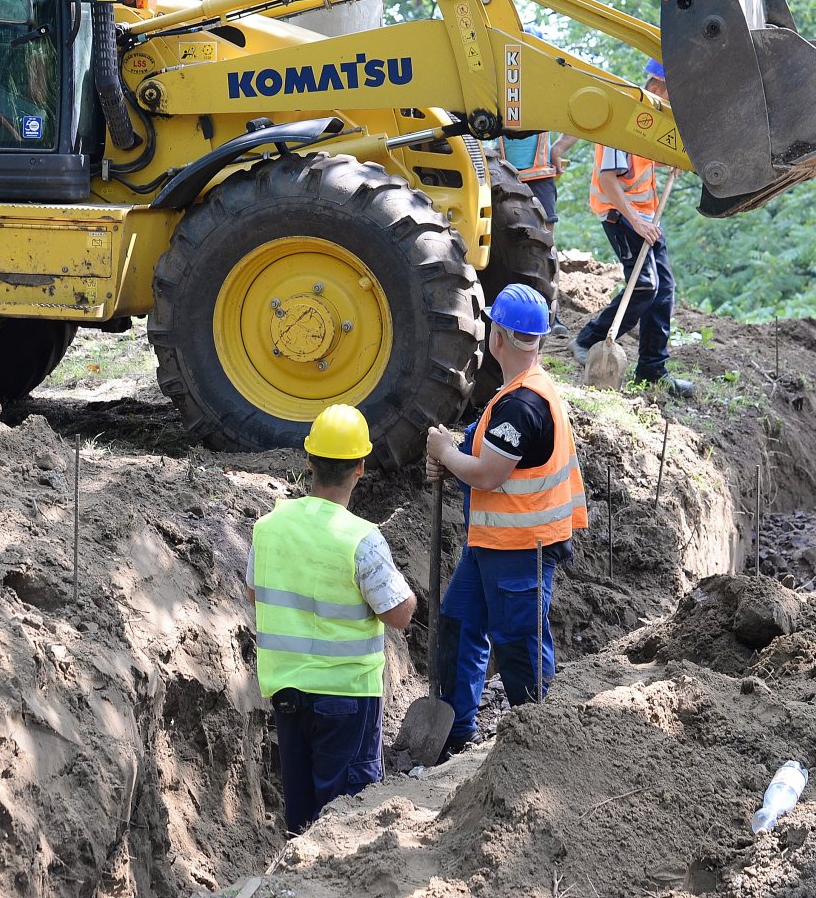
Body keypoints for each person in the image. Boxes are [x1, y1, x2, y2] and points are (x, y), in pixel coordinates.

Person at [425, 284, 585, 759]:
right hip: (491, 544)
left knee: (518, 643)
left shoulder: (523, 404)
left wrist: (446, 454)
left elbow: (490, 474)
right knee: (459, 622)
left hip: (522, 548)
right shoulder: (518, 392)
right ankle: (456, 732)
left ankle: (536, 743)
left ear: (497, 337)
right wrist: (453, 455)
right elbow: (485, 451)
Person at [248, 405, 417, 835]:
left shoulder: (269, 526)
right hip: (346, 699)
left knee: (302, 819)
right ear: (361, 467)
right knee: (350, 821)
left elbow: (255, 591)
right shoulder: (361, 537)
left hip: (286, 693)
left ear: (308, 461)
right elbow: (398, 614)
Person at [571, 59, 694, 397]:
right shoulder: (622, 120)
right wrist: (637, 222)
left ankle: (653, 369)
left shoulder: (652, 118)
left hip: (646, 215)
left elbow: (652, 156)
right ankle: (589, 340)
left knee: (663, 289)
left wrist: (672, 162)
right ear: (658, 86)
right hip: (620, 214)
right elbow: (609, 180)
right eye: (674, 92)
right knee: (644, 286)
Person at [494, 130, 574, 225]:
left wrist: (557, 151)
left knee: (544, 230)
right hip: (503, 178)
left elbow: (581, 119)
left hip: (539, 178)